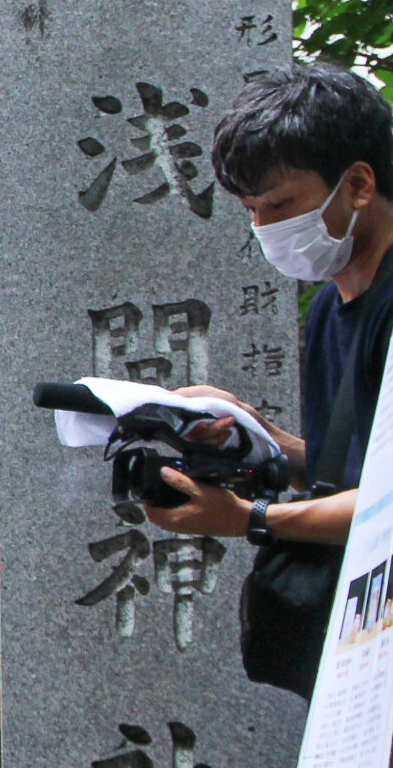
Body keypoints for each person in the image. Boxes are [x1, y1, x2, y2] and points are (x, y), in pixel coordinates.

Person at [147, 63, 393, 552]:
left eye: (280, 206)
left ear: (359, 185)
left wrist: (251, 517)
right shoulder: (331, 304)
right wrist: (256, 435)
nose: (264, 227)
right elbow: (349, 474)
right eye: (251, 211)